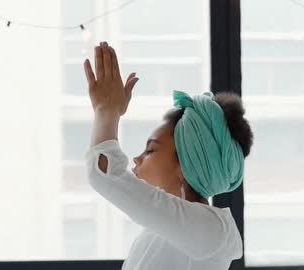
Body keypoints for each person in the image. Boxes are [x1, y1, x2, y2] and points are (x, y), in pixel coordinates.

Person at [83, 41, 253, 270]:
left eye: (151, 149)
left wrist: (107, 111)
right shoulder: (161, 233)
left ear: (186, 165)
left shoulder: (212, 230)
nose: (137, 159)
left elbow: (104, 173)